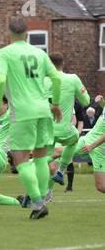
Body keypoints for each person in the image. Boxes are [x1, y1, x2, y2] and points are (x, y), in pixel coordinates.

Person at [0, 17, 62, 219]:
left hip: (22, 112)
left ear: (9, 33)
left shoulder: (4, 53)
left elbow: (0, 80)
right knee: (41, 157)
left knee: (20, 158)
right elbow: (56, 77)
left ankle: (38, 203)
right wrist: (56, 104)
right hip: (43, 109)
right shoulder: (39, 53)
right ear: (26, 33)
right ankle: (38, 198)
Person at [43, 53, 90, 202]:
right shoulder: (72, 79)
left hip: (44, 132)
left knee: (47, 163)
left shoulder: (41, 81)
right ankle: (61, 172)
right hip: (64, 129)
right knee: (75, 137)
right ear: (63, 64)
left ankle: (46, 192)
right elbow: (86, 101)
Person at [64, 100, 85, 192]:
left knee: (69, 158)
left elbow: (80, 121)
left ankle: (69, 186)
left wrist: (77, 134)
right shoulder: (57, 100)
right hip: (57, 133)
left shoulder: (77, 105)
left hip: (70, 135)